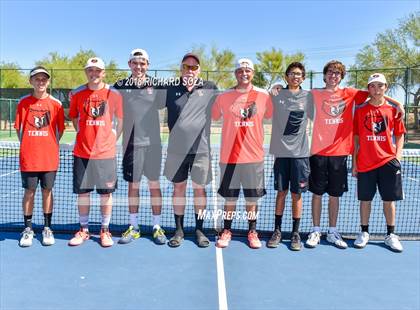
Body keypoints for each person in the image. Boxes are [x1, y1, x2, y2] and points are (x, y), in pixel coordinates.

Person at [305, 60, 404, 249]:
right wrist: (278, 88)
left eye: (337, 73)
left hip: (340, 153)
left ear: (341, 77)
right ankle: (316, 230)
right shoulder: (314, 93)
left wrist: (397, 102)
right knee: (316, 194)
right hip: (317, 151)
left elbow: (376, 94)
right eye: (330, 73)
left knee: (335, 196)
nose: (333, 76)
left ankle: (332, 231)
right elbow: (294, 94)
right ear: (324, 75)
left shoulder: (350, 94)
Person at [212, 58, 273, 249]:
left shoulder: (264, 96)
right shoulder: (223, 97)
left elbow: (271, 115)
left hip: (254, 158)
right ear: (235, 74)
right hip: (229, 157)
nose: (244, 73)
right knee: (230, 198)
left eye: (247, 70)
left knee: (251, 199)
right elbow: (213, 116)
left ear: (252, 73)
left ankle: (252, 231)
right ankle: (226, 230)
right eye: (240, 71)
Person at [163, 53, 218, 247]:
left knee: (199, 190)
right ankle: (179, 230)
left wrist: (273, 89)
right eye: (186, 66)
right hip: (176, 151)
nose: (190, 70)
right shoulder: (169, 88)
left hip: (201, 151)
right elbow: (144, 95)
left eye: (194, 67)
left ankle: (199, 229)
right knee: (179, 188)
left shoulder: (210, 88)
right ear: (181, 68)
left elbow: (233, 98)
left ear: (199, 70)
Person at [68, 57, 123, 247]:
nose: (94, 74)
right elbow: (74, 119)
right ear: (86, 73)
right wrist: (84, 135)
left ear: (103, 72)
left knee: (105, 195)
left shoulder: (113, 94)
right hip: (82, 153)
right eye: (90, 70)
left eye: (97, 70)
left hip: (106, 155)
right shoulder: (77, 94)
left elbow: (121, 120)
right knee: (83, 194)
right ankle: (84, 230)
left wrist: (110, 140)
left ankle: (104, 230)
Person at [114, 49, 167, 245]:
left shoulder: (158, 86)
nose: (139, 67)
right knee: (133, 186)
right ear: (129, 64)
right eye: (135, 63)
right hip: (130, 145)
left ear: (148, 65)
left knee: (154, 185)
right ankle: (134, 226)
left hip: (153, 145)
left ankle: (156, 226)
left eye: (142, 63)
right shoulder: (120, 86)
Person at [352, 73, 405, 252]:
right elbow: (356, 139)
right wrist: (354, 163)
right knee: (365, 200)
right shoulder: (360, 111)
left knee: (388, 200)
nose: (376, 89)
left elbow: (399, 135)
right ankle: (364, 232)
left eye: (380, 86)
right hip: (365, 163)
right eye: (372, 86)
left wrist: (397, 156)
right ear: (368, 89)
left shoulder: (393, 111)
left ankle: (391, 234)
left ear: (386, 87)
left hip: (388, 162)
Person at [14, 66, 65, 247]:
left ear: (48, 82)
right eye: (37, 79)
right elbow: (20, 130)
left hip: (49, 158)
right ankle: (28, 229)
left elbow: (58, 131)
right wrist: (30, 146)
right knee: (29, 192)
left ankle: (47, 228)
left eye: (44, 79)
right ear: (31, 81)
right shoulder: (23, 103)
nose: (41, 82)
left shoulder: (56, 105)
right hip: (29, 158)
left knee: (47, 191)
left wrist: (48, 145)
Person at [267, 62, 313, 251]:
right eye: (292, 74)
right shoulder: (277, 95)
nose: (296, 77)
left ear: (303, 78)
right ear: (286, 76)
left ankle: (295, 233)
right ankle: (277, 231)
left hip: (300, 156)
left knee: (297, 195)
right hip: (281, 154)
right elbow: (259, 98)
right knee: (281, 193)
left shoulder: (309, 97)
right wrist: (271, 89)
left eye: (299, 74)